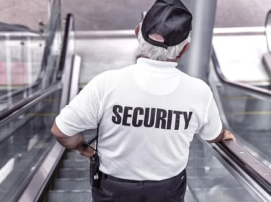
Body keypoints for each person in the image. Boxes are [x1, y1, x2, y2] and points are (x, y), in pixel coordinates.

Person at [51, 0, 236, 201]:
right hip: (167, 189)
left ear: (137, 32)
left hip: (113, 187)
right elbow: (213, 135)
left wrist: (83, 148)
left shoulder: (106, 83)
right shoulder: (199, 92)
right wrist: (224, 133)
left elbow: (60, 131)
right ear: (184, 49)